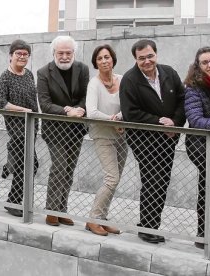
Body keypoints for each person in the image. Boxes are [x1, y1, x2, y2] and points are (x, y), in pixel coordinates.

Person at [120, 39, 186, 244]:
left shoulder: (169, 72)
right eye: (142, 58)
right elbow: (131, 113)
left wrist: (175, 123)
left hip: (168, 139)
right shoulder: (129, 80)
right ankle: (147, 226)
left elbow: (183, 100)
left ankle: (151, 225)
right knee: (152, 179)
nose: (147, 61)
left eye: (150, 56)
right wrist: (159, 122)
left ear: (156, 54)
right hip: (144, 140)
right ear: (135, 59)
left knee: (163, 181)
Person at [37, 35, 89, 226]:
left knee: (69, 169)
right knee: (59, 167)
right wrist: (68, 110)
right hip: (55, 129)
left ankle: (62, 209)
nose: (65, 56)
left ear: (73, 53)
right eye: (61, 53)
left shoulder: (83, 69)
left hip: (76, 129)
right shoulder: (44, 72)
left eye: (68, 52)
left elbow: (86, 95)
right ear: (54, 53)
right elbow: (44, 103)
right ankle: (51, 210)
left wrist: (81, 109)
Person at [184, 46, 210, 254]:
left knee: (208, 186)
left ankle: (205, 236)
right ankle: (205, 234)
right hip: (198, 143)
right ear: (198, 67)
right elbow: (196, 120)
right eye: (205, 62)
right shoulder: (193, 88)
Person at [85, 44, 127, 236]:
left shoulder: (122, 79)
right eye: (100, 58)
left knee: (115, 180)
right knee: (112, 177)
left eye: (107, 57)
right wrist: (112, 121)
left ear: (113, 59)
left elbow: (129, 104)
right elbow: (92, 112)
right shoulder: (94, 84)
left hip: (121, 134)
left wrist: (119, 118)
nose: (104, 61)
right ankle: (93, 219)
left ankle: (102, 217)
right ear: (95, 62)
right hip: (102, 134)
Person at [0, 39, 39, 217]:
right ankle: (13, 201)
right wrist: (22, 111)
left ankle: (16, 195)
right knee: (30, 164)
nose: (22, 57)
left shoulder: (29, 75)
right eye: (18, 54)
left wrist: (35, 121)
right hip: (17, 128)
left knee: (26, 163)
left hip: (31, 127)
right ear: (11, 56)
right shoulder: (6, 76)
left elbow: (33, 102)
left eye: (25, 54)